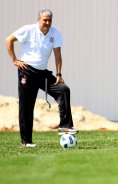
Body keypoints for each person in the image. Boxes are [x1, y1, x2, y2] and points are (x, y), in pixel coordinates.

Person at [5, 9, 78, 148]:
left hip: (43, 73)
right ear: (38, 19)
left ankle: (65, 126)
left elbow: (58, 54)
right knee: (26, 106)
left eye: (50, 20)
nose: (47, 22)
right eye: (45, 20)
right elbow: (9, 40)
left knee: (63, 90)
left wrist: (58, 74)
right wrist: (15, 60)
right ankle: (26, 142)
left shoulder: (55, 32)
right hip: (27, 71)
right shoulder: (28, 30)